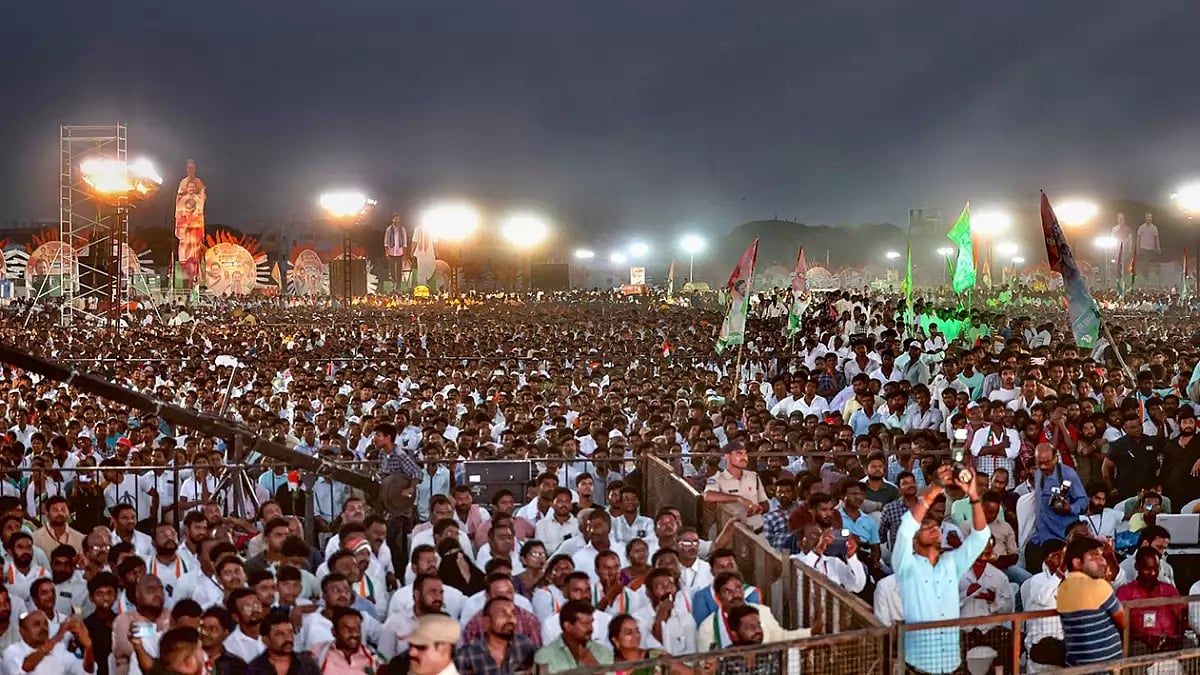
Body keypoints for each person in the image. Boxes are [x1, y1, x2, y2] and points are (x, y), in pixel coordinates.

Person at [891, 464, 990, 675]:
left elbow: (980, 537)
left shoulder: (951, 563)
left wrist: (973, 495)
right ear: (915, 540)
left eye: (935, 526)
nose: (934, 529)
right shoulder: (906, 565)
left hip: (952, 662)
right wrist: (935, 489)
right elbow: (906, 528)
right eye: (926, 528)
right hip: (919, 666)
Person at [1056, 536, 1125, 667]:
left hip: (1076, 663)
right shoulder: (1098, 585)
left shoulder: (1062, 587)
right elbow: (1124, 621)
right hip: (1106, 663)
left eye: (1101, 556)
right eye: (1094, 557)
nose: (1102, 561)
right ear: (1077, 563)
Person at [1026, 443, 1086, 574]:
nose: (1042, 466)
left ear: (1055, 458)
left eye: (1047, 462)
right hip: (1041, 537)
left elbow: (1084, 502)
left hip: (1061, 537)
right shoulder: (1038, 474)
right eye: (1039, 462)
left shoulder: (1069, 475)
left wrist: (1070, 508)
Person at [1115, 546, 1183, 653]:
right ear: (1137, 567)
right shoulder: (1125, 592)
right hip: (1138, 648)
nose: (1152, 573)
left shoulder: (1169, 590)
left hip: (1169, 648)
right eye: (1147, 568)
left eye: (1155, 568)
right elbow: (1119, 625)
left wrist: (1175, 640)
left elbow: (1181, 618)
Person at [454, 596, 538, 675]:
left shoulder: (525, 645)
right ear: (487, 621)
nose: (510, 618)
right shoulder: (466, 656)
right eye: (503, 613)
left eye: (513, 613)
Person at [2, 609, 94, 675]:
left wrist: (88, 648)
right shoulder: (11, 651)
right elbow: (25, 667)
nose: (43, 628)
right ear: (22, 632)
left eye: (45, 623)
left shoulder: (59, 649)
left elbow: (86, 671)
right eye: (36, 624)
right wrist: (57, 637)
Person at [702, 442, 769, 532]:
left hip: (754, 527)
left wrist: (758, 508)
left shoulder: (754, 476)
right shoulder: (717, 478)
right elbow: (708, 496)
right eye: (739, 454)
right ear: (727, 456)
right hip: (727, 528)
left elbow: (765, 503)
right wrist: (738, 498)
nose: (744, 458)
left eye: (745, 454)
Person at [533, 599, 613, 672]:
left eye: (591, 623)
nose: (590, 628)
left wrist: (591, 663)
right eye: (585, 624)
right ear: (568, 626)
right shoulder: (545, 656)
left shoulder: (603, 653)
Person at [308, 607, 386, 675]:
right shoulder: (319, 652)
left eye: (357, 629)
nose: (354, 634)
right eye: (348, 629)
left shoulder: (374, 658)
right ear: (334, 631)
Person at [247, 612, 320, 675]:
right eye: (279, 634)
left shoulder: (307, 664)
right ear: (266, 640)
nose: (288, 638)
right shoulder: (254, 669)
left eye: (290, 632)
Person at [198, 606, 246, 675]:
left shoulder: (235, 665)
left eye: (213, 629)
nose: (205, 633)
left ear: (225, 632)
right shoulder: (188, 659)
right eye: (203, 628)